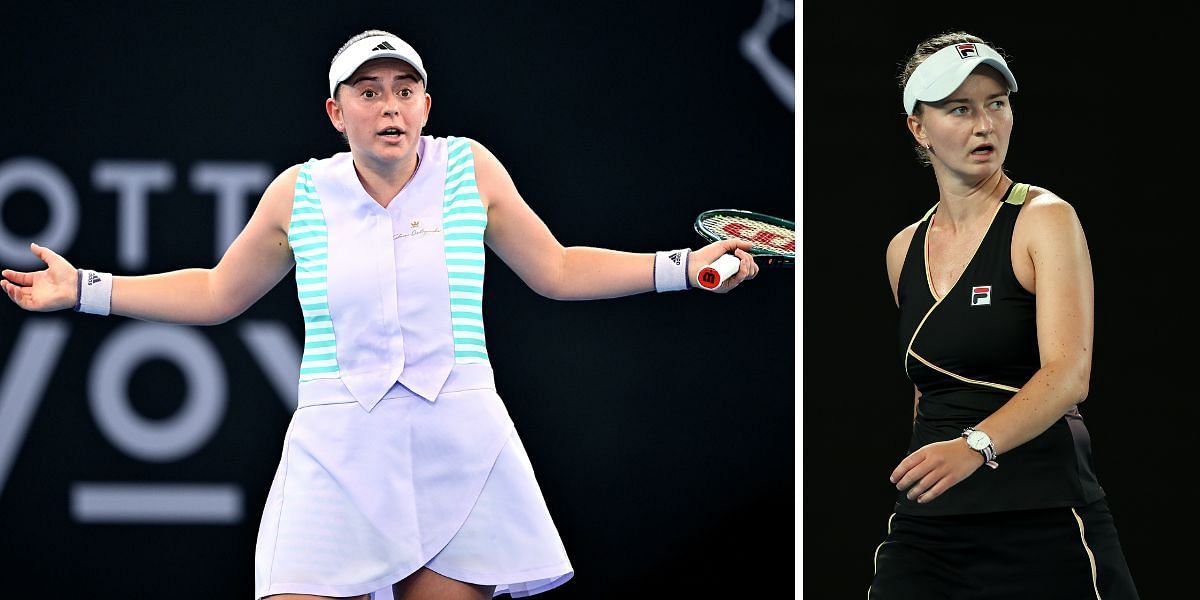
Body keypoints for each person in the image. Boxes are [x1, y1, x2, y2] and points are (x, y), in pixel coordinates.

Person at [0, 30, 759, 600]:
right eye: (368, 91)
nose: (389, 104)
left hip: (458, 442)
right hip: (338, 447)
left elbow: (556, 270)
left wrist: (681, 269)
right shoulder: (299, 193)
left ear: (426, 105)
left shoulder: (471, 169)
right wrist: (86, 289)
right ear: (337, 112)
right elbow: (215, 292)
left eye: (404, 89)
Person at [869, 32, 1138, 598]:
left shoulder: (1045, 218)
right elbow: (929, 387)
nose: (984, 125)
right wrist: (937, 466)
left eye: (997, 103)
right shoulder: (902, 251)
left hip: (1042, 514)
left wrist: (974, 446)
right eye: (959, 109)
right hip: (931, 527)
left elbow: (1069, 375)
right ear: (918, 127)